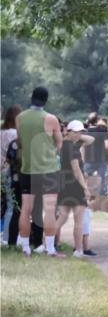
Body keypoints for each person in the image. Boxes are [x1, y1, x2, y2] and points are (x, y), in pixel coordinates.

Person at [15, 87, 63, 257]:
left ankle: (26, 247)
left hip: (27, 169)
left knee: (26, 209)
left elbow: (20, 141)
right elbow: (59, 143)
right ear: (46, 100)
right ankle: (50, 248)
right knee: (49, 209)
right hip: (48, 169)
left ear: (32, 97)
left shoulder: (20, 118)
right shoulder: (51, 119)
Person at [55, 120, 95, 258]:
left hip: (64, 184)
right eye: (76, 132)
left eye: (81, 132)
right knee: (78, 220)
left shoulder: (65, 144)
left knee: (62, 217)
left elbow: (91, 139)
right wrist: (85, 188)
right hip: (75, 185)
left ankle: (47, 243)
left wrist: (76, 135)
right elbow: (77, 170)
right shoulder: (72, 147)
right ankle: (79, 250)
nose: (79, 134)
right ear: (69, 131)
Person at [1, 105, 21, 241]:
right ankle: (8, 237)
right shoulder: (15, 134)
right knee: (11, 205)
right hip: (9, 171)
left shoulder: (1, 132)